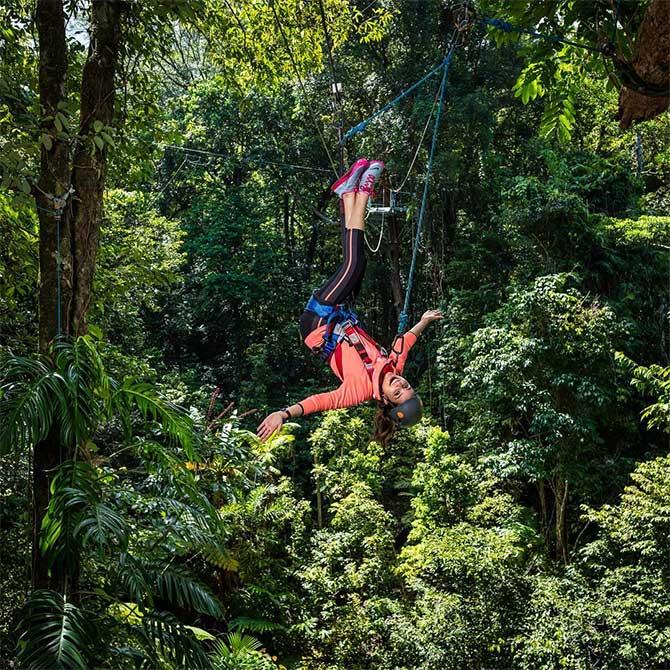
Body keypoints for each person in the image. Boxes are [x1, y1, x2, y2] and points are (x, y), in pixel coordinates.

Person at [257, 158, 443, 445]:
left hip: (318, 325)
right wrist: (424, 322)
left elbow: (321, 401)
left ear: (386, 401)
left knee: (353, 265)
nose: (399, 384)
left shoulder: (357, 391)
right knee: (357, 262)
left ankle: (362, 192)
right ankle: (348, 194)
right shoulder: (394, 366)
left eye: (397, 393)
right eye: (406, 386)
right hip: (340, 314)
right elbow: (406, 341)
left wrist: (284, 413)